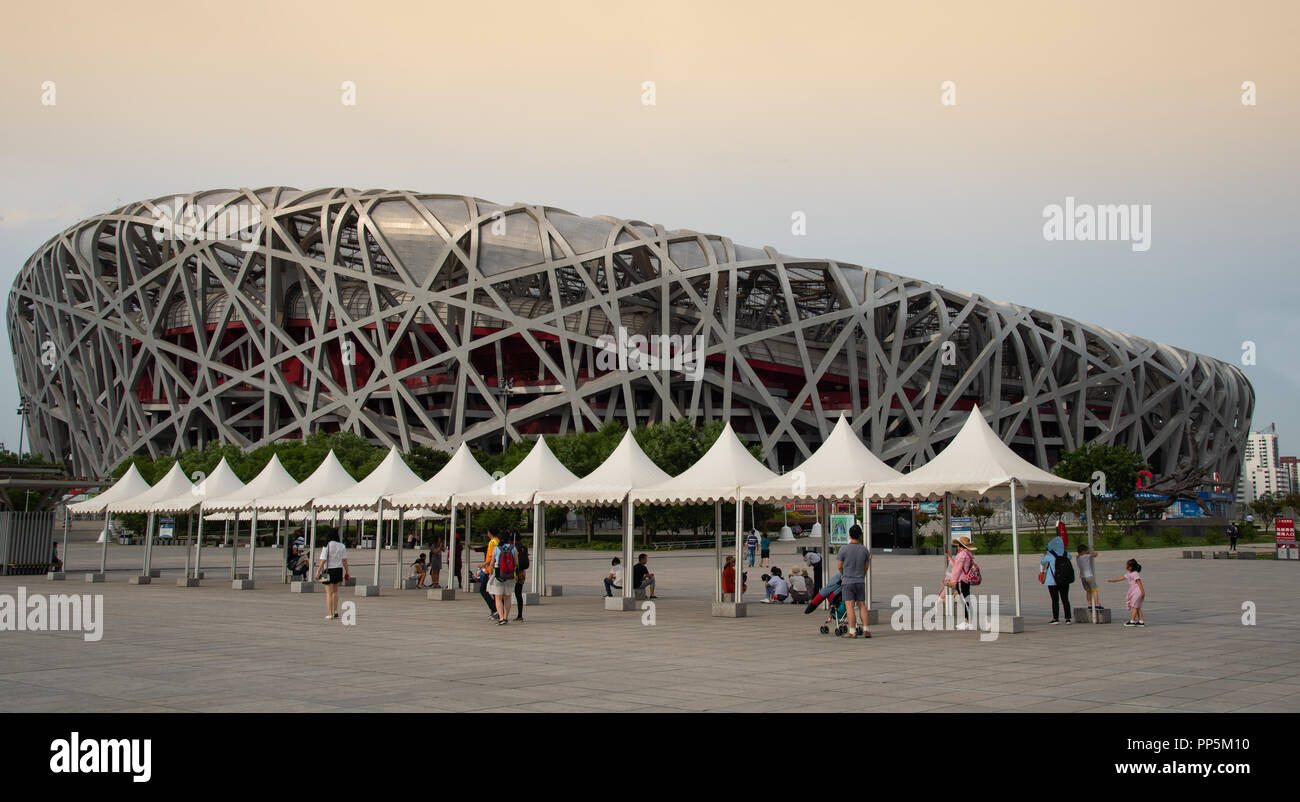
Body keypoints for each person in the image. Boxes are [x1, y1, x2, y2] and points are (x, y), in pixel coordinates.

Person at [836, 524, 871, 638]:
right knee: (862, 605)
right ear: (860, 536)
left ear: (849, 534)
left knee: (849, 606)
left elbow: (840, 566)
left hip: (848, 581)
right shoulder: (864, 550)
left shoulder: (843, 549)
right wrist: (862, 575)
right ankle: (866, 629)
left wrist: (844, 574)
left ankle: (852, 631)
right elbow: (866, 566)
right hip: (860, 580)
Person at [315, 530, 350, 620]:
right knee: (335, 592)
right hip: (338, 570)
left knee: (328, 593)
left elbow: (323, 560)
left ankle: (330, 613)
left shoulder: (326, 546)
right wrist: (347, 572)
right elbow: (344, 560)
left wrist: (317, 572)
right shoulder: (342, 546)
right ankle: (335, 611)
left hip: (328, 571)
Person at [1039, 534, 1073, 624]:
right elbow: (1070, 557)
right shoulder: (1066, 553)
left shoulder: (1050, 554)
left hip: (1052, 581)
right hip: (1065, 579)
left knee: (1055, 600)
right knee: (1065, 599)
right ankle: (1068, 618)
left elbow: (1042, 562)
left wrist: (1046, 554)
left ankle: (1055, 618)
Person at [947, 536, 977, 630]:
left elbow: (956, 569)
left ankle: (968, 622)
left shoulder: (961, 555)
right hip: (966, 580)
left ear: (960, 546)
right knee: (966, 599)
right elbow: (957, 565)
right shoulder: (967, 554)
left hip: (961, 580)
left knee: (965, 601)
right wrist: (949, 557)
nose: (957, 547)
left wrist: (953, 582)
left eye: (957, 545)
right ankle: (968, 621)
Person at [488, 534, 516, 625]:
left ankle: (501, 618)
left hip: (499, 575)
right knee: (507, 597)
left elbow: (492, 563)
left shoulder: (496, 548)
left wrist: (490, 573)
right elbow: (516, 563)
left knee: (498, 598)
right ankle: (506, 617)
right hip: (510, 576)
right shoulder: (513, 548)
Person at [1108, 558, 1145, 626]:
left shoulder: (1135, 574)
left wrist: (1143, 592)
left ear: (1130, 567)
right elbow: (1122, 578)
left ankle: (1132, 621)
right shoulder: (1129, 573)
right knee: (1137, 607)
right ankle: (1141, 621)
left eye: (1126, 565)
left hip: (1137, 592)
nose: (1125, 566)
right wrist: (1114, 580)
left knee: (1134, 606)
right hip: (1134, 592)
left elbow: (1139, 583)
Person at [478, 528, 501, 620]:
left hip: (491, 570)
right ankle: (498, 610)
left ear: (490, 533)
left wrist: (484, 565)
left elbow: (492, 557)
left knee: (483, 589)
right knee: (495, 591)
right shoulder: (498, 541)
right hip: (496, 569)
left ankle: (495, 609)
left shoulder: (492, 542)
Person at [1077, 544, 1104, 613]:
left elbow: (1084, 554)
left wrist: (1088, 551)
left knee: (1088, 591)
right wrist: (1092, 550)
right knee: (1095, 590)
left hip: (1082, 577)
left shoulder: (1078, 557)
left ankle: (1089, 605)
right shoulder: (1085, 556)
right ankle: (1097, 604)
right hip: (1089, 576)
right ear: (1083, 551)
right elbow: (1095, 554)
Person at [511, 529, 529, 622]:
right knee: (518, 593)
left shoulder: (512, 547)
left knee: (505, 594)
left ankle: (502, 614)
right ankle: (520, 615)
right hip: (522, 573)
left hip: (513, 572)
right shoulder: (523, 547)